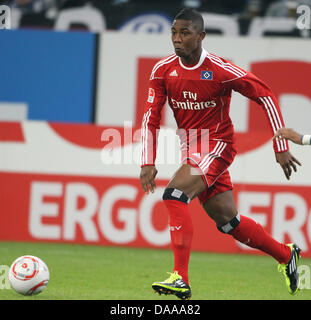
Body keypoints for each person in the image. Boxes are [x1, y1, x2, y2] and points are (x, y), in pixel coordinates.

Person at [139, 8, 301, 300]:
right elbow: (150, 116)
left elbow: (265, 94)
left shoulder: (219, 69)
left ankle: (180, 278)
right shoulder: (162, 70)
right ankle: (285, 254)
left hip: (217, 145)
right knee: (229, 222)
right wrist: (147, 161)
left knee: (174, 195)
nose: (177, 39)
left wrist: (280, 146)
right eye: (174, 32)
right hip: (192, 148)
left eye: (185, 33)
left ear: (201, 36)